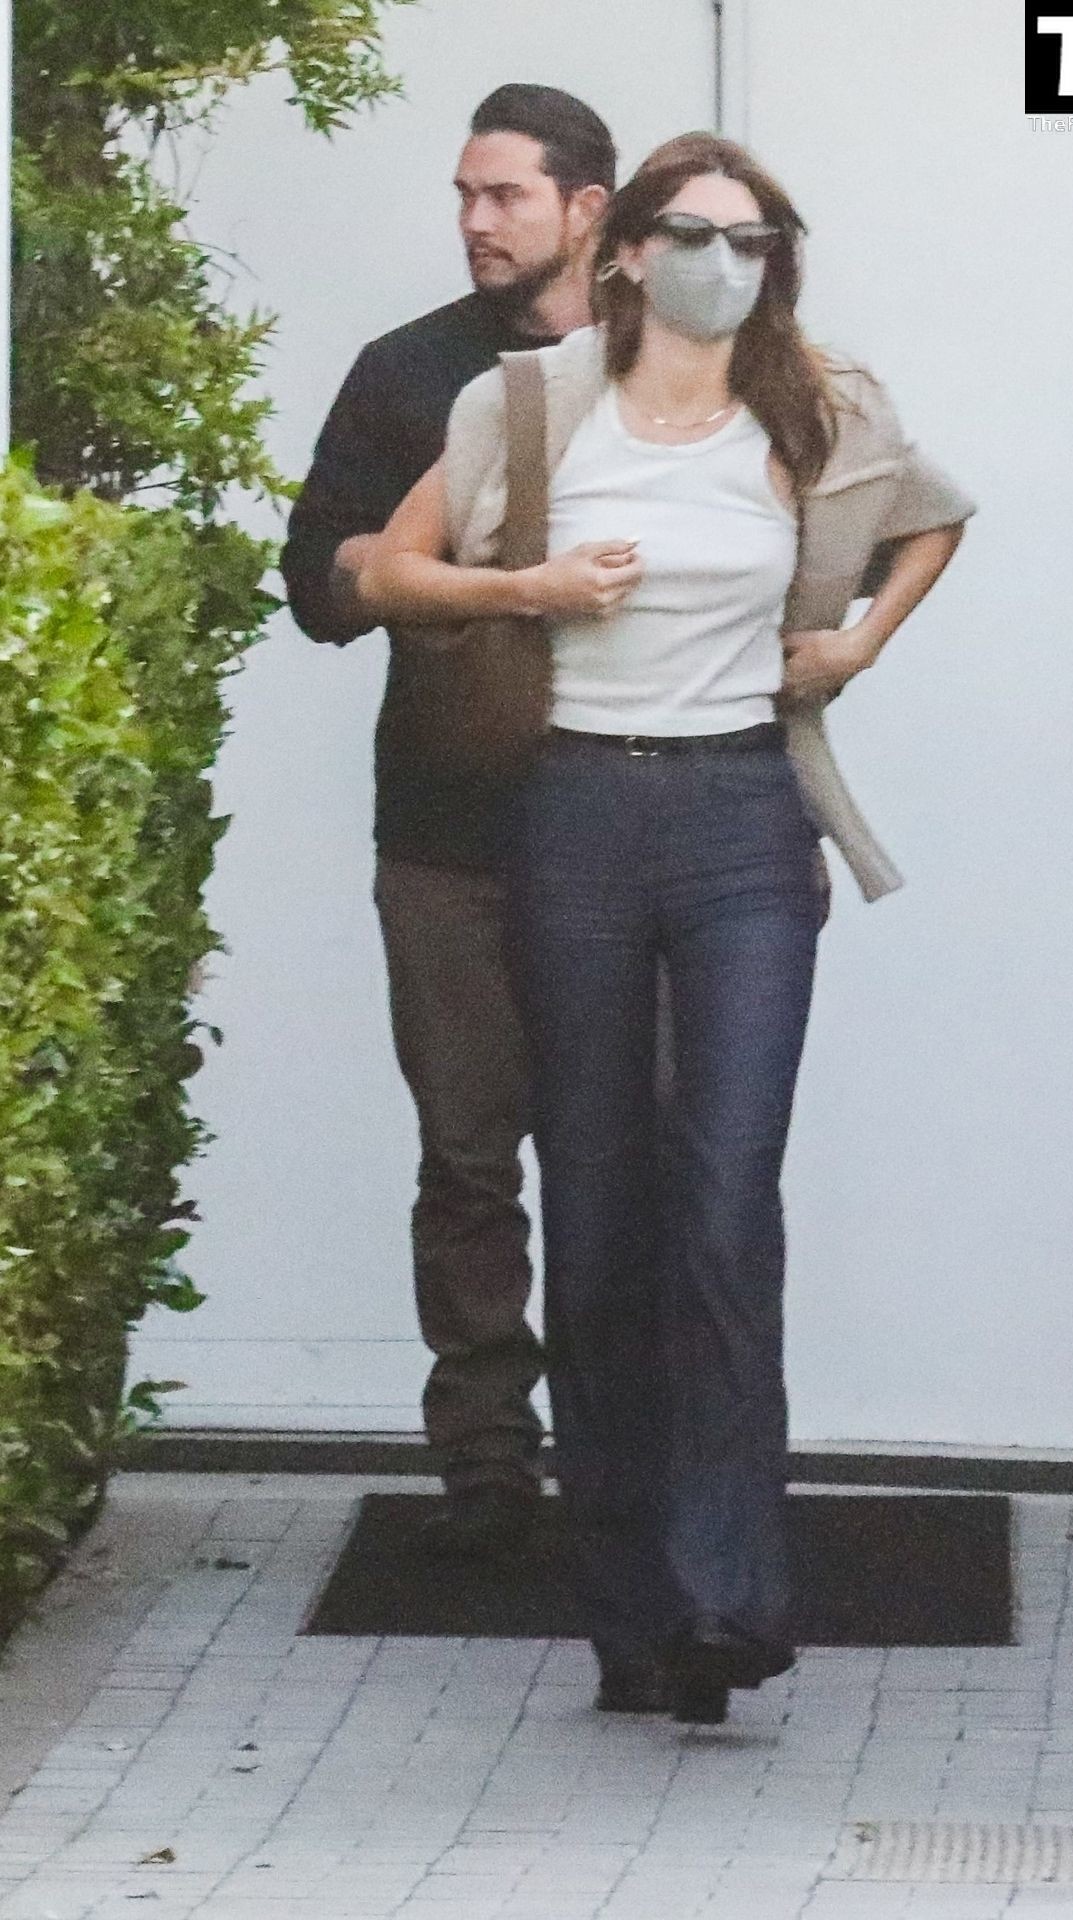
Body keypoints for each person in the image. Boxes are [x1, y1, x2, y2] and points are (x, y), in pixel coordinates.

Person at [348, 132, 977, 1722]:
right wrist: (532, 591)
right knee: (602, 1200)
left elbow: (938, 517)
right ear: (623, 248)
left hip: (745, 819)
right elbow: (385, 571)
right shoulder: (530, 403)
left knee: (726, 1192)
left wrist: (858, 644)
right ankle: (632, 1615)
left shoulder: (818, 407)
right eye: (695, 234)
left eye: (753, 241)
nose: (723, 264)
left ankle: (726, 1596)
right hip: (572, 816)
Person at [280, 85, 616, 1553]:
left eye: (505, 196)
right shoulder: (411, 371)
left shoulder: (669, 369)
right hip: (447, 831)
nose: (476, 221)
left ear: (587, 208)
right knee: (470, 1160)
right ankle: (485, 1462)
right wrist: (441, 566)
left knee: (630, 1154)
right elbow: (316, 585)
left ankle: (628, 1445)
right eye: (465, 196)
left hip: (629, 820)